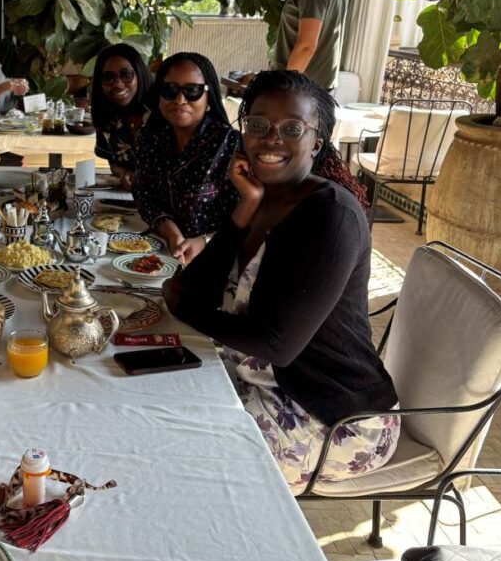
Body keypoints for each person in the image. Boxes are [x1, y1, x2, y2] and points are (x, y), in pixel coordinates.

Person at [163, 71, 399, 493]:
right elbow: (194, 287)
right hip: (257, 383)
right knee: (149, 406)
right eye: (258, 125)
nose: (271, 139)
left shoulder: (331, 215)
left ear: (317, 142)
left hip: (329, 416)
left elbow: (276, 344)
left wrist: (187, 310)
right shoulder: (263, 196)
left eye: (292, 128)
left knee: (180, 459)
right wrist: (244, 209)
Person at [133, 52, 239, 264]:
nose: (180, 100)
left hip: (217, 255)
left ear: (209, 97)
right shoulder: (149, 137)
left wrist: (203, 241)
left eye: (192, 91)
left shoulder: (229, 144)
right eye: (170, 90)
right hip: (161, 246)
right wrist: (171, 232)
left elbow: (245, 212)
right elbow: (144, 195)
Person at [90, 43, 154, 190]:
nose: (118, 84)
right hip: (128, 199)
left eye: (126, 74)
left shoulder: (162, 110)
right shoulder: (107, 116)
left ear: (139, 74)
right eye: (108, 77)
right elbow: (114, 164)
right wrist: (123, 172)